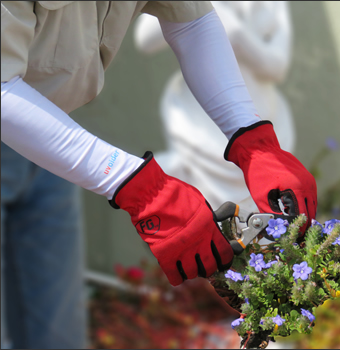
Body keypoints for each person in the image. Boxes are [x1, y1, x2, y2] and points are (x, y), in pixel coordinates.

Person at [1, 1, 317, 348]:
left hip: (50, 142)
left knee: (57, 329)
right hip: (31, 127)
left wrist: (254, 141)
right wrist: (139, 187)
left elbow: (189, 21)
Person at [134, 1, 295, 211]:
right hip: (200, 124)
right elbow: (145, 40)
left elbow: (278, 65)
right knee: (197, 209)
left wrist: (238, 36)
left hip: (260, 118)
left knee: (262, 212)